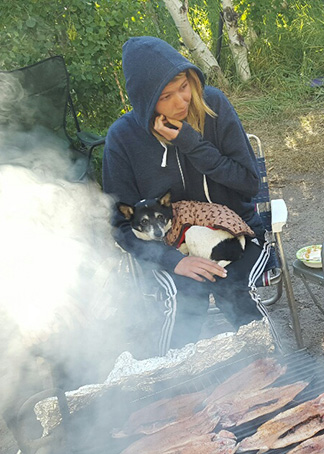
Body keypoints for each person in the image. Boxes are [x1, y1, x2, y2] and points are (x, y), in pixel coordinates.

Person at [102, 37, 272, 352]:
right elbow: (120, 224)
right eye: (166, 96)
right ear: (145, 102)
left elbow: (249, 183)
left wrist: (192, 143)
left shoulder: (214, 106)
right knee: (184, 300)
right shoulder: (122, 139)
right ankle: (178, 383)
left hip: (239, 234)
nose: (182, 101)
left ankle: (276, 364)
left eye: (184, 85)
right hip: (170, 250)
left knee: (232, 290)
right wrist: (172, 261)